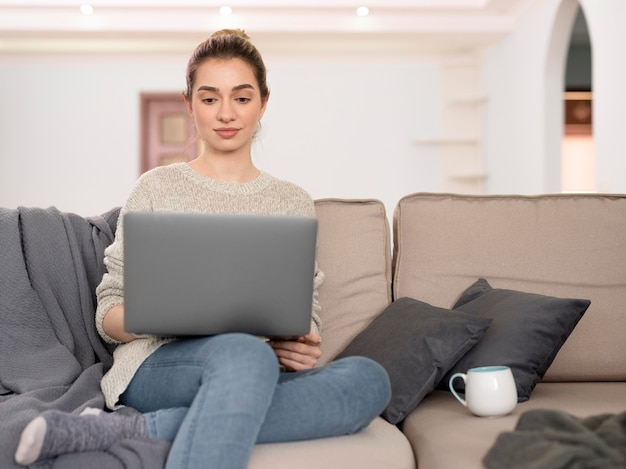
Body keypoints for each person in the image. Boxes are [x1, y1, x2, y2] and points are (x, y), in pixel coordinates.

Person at [15, 29, 391, 469]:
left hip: (256, 366)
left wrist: (298, 346)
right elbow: (108, 314)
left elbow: (303, 312)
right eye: (210, 98)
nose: (226, 113)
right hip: (157, 366)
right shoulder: (156, 187)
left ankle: (123, 430)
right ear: (189, 104)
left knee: (369, 381)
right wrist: (170, 317)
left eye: (242, 98)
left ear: (263, 104)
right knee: (243, 353)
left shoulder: (293, 201)